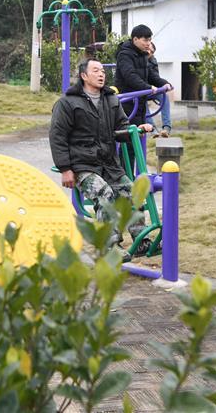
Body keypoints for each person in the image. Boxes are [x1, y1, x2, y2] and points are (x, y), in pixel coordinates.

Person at [49, 59, 154, 261]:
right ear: (84, 76)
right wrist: (65, 169)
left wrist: (136, 129)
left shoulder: (111, 100)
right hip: (82, 165)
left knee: (131, 192)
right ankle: (110, 246)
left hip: (108, 164)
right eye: (95, 70)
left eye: (103, 71)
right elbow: (57, 136)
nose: (101, 74)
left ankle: (141, 240)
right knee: (104, 193)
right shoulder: (67, 103)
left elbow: (121, 128)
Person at [115, 25, 172, 126]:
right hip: (128, 101)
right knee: (130, 135)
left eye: (150, 40)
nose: (148, 44)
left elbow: (151, 75)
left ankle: (164, 128)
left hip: (140, 100)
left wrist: (164, 83)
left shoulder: (142, 55)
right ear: (135, 39)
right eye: (145, 40)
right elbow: (130, 76)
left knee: (141, 133)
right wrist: (148, 87)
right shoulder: (125, 55)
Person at [147, 41, 173, 137]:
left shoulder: (153, 61)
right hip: (140, 89)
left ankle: (166, 127)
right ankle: (152, 128)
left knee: (164, 97)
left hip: (151, 89)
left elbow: (155, 77)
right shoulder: (137, 59)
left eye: (151, 51)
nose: (149, 52)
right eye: (148, 49)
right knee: (141, 101)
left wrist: (165, 84)